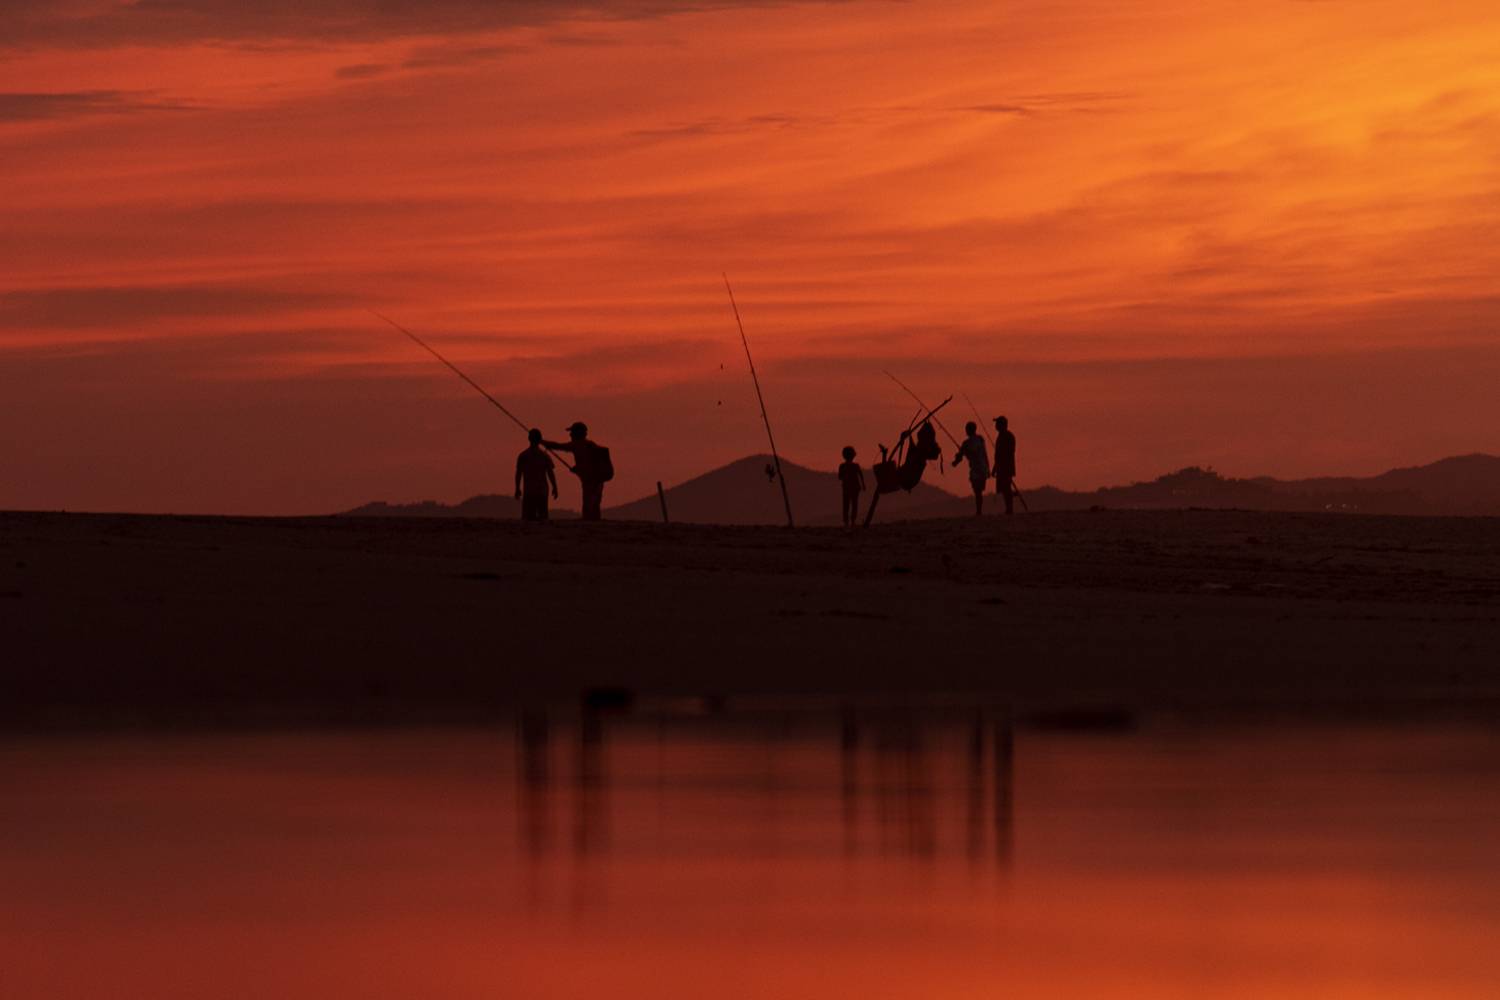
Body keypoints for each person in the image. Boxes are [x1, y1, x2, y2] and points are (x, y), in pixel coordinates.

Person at [543, 421, 611, 521]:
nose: (570, 435)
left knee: (589, 503)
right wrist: (577, 468)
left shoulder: (577, 445)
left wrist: (542, 442)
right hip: (597, 479)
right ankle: (594, 522)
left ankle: (589, 522)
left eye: (572, 432)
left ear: (577, 433)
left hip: (590, 480)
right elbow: (588, 462)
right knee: (595, 504)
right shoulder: (590, 445)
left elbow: (559, 446)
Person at [514, 428, 558, 522]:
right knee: (543, 517)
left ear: (529, 439)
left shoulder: (523, 455)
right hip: (542, 491)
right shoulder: (545, 456)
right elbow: (550, 473)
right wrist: (554, 487)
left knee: (528, 519)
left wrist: (517, 488)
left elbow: (518, 473)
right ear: (539, 440)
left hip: (529, 491)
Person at [952, 421, 991, 516]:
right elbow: (984, 454)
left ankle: (979, 511)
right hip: (983, 468)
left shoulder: (966, 443)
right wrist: (988, 468)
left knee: (977, 491)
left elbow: (960, 456)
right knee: (979, 491)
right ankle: (979, 511)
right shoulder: (980, 439)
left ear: (968, 430)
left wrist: (955, 462)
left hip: (976, 470)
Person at [993, 415, 1017, 515]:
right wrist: (995, 467)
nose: (995, 425)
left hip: (1006, 467)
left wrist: (999, 465)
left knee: (1006, 488)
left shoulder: (1007, 436)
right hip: (1002, 466)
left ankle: (1009, 508)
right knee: (1004, 488)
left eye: (997, 423)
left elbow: (1006, 453)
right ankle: (1008, 507)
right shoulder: (1003, 436)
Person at [837, 446, 865, 528]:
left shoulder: (842, 466)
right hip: (855, 488)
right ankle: (852, 521)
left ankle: (846, 522)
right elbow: (861, 475)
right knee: (854, 505)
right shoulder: (856, 466)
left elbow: (840, 477)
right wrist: (863, 485)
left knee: (846, 505)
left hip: (846, 488)